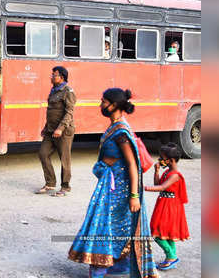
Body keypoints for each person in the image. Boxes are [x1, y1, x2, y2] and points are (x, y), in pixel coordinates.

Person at [68, 88, 158, 278]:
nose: (100, 105)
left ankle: (100, 268)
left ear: (114, 105)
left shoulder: (121, 132)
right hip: (111, 187)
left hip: (120, 190)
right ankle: (116, 266)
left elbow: (133, 164)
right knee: (114, 227)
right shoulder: (114, 126)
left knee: (105, 226)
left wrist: (134, 196)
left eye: (103, 101)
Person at [144, 142, 190, 271]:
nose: (159, 160)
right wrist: (157, 171)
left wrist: (143, 188)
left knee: (157, 232)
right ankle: (172, 257)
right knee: (166, 233)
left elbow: (162, 187)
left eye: (161, 158)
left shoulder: (175, 175)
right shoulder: (167, 172)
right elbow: (158, 183)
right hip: (164, 203)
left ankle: (171, 257)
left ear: (170, 160)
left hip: (170, 207)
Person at [36, 66, 76, 197]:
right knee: (43, 153)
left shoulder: (68, 92)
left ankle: (65, 187)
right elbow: (52, 112)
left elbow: (69, 113)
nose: (51, 77)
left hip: (63, 131)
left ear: (62, 77)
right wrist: (46, 127)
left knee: (64, 159)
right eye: (52, 75)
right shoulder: (54, 91)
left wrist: (60, 128)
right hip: (50, 130)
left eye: (54, 75)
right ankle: (50, 183)